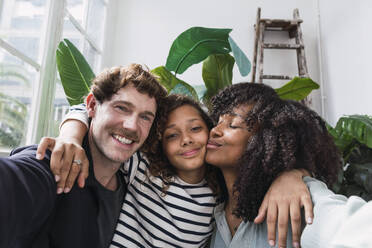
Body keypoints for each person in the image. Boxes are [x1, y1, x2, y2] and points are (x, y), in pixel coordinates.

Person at [39, 96, 315, 247]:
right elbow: (88, 109)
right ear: (161, 145)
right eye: (172, 135)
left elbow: (267, 162)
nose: (185, 140)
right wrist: (71, 138)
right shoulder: (143, 170)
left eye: (196, 129)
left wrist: (293, 173)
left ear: (209, 132)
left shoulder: (220, 194)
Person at [0, 64, 167, 248]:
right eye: (121, 108)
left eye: (145, 117)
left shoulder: (134, 181)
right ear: (93, 106)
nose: (132, 126)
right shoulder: (54, 164)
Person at [206, 82, 345, 247]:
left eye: (233, 124)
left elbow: (349, 226)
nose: (214, 130)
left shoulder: (298, 196)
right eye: (218, 122)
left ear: (264, 140)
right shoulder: (207, 207)